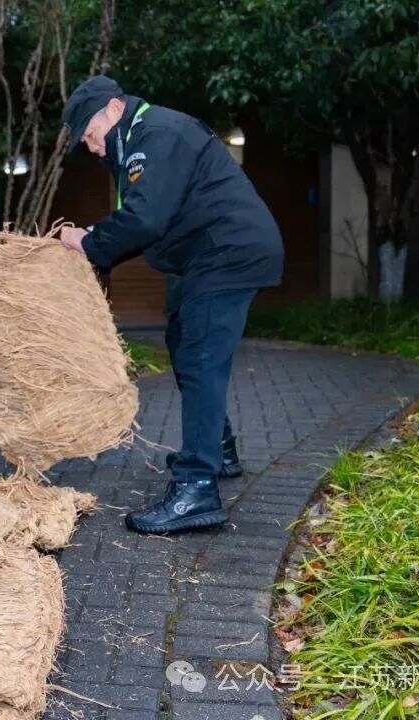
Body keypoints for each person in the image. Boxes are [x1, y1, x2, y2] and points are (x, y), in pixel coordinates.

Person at [59, 75, 283, 535]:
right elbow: (150, 213)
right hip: (209, 255)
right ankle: (217, 451)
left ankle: (197, 488)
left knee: (200, 355)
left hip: (227, 253)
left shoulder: (155, 134)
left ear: (114, 110)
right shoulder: (150, 134)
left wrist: (89, 241)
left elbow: (145, 217)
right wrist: (98, 243)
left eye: (91, 135)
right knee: (184, 340)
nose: (94, 148)